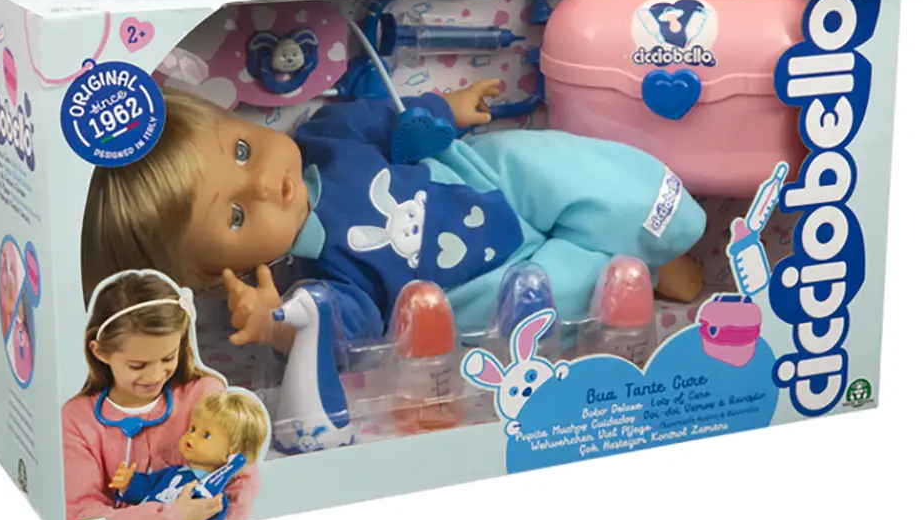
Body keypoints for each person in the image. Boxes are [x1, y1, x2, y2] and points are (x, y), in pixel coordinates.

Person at [81, 83, 706, 351]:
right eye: (238, 215)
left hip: (480, 180)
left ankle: (658, 226)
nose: (267, 182)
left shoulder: (327, 134)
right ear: (216, 273)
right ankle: (640, 276)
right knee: (543, 298)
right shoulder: (315, 279)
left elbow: (395, 125)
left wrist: (443, 109)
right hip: (479, 285)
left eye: (242, 151)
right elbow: (348, 328)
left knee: (553, 164)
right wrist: (278, 324)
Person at [62, 271, 259, 520]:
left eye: (168, 358)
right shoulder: (77, 419)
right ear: (100, 352)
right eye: (137, 365)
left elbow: (242, 480)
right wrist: (173, 519)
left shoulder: (204, 396)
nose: (155, 376)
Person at [107, 390, 268, 520]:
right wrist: (129, 484)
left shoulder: (212, 500)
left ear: (233, 455)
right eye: (193, 428)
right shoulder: (172, 473)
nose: (192, 436)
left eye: (206, 435)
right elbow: (147, 486)